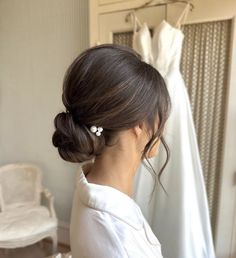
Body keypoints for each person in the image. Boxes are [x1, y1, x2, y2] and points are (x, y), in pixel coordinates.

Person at [52, 43, 171, 258]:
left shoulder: (89, 181)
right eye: (160, 115)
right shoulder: (124, 243)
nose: (164, 126)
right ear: (140, 125)